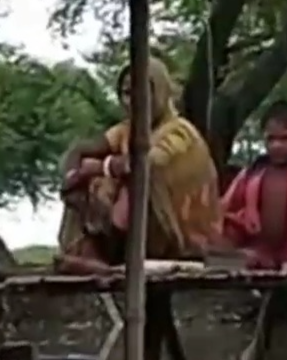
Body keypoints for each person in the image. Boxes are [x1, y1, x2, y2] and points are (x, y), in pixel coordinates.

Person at [55, 57, 222, 274]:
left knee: (134, 179)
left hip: (182, 236)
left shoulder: (180, 132)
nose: (132, 101)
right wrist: (73, 175)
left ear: (160, 92)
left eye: (141, 92)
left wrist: (101, 168)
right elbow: (81, 149)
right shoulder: (127, 129)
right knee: (88, 177)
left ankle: (111, 256)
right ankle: (90, 253)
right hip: (137, 231)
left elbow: (145, 164)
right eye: (126, 93)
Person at [221, 100, 287, 270]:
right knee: (223, 262)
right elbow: (227, 212)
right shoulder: (251, 174)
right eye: (271, 139)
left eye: (286, 138)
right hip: (257, 251)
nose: (277, 145)